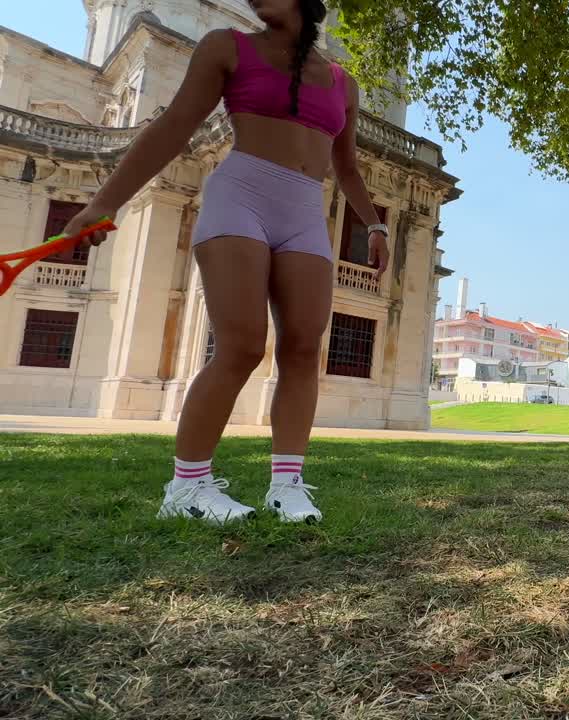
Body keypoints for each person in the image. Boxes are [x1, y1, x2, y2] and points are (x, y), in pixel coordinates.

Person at [60, 0, 388, 524]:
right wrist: (103, 202)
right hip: (240, 198)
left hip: (305, 211)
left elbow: (345, 166)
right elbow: (173, 128)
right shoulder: (226, 47)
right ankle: (187, 488)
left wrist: (374, 225)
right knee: (241, 346)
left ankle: (288, 486)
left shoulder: (343, 83)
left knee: (303, 349)